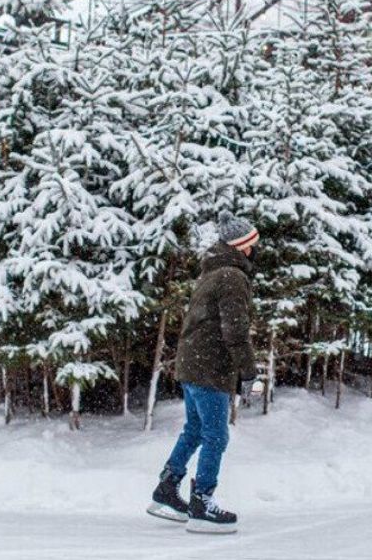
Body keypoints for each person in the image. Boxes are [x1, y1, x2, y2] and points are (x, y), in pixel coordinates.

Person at [147, 211, 259, 534]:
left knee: (195, 429)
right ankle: (202, 502)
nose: (255, 250)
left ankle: (167, 489)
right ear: (241, 246)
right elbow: (235, 329)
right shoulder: (232, 276)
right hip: (210, 367)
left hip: (192, 362)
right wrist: (248, 371)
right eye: (252, 244)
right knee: (216, 435)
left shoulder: (212, 272)